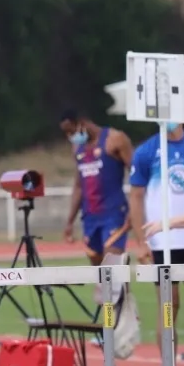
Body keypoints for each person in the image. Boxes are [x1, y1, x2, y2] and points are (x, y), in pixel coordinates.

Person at [129, 121, 184, 366]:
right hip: (162, 242)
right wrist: (141, 242)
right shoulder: (146, 151)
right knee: (169, 307)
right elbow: (136, 197)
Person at [60, 110, 134, 265]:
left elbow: (137, 175)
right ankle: (122, 274)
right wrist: (70, 221)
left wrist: (135, 209)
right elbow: (79, 186)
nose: (70, 136)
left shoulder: (115, 139)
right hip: (90, 216)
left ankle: (119, 269)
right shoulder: (77, 148)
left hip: (114, 213)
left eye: (71, 131)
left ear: (82, 123)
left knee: (111, 266)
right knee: (98, 266)